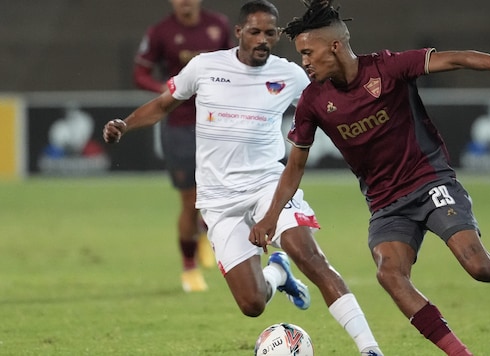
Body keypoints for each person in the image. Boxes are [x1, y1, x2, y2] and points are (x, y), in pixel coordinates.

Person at [250, 1, 490, 354]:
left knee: (478, 264)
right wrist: (270, 216)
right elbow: (294, 167)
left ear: (334, 46)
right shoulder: (312, 101)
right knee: (389, 274)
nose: (303, 61)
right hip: (385, 204)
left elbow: (457, 58)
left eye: (308, 52)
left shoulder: (387, 68)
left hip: (430, 181)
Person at [104, 1, 383, 355]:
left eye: (270, 33)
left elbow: (335, 103)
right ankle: (278, 274)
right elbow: (162, 104)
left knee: (307, 253)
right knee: (252, 304)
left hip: (269, 185)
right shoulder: (204, 67)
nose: (263, 39)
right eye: (255, 31)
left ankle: (369, 347)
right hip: (219, 201)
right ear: (239, 32)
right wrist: (125, 125)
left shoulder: (291, 75)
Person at [133, 0, 234, 292]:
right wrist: (165, 91)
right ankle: (189, 267)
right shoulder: (160, 32)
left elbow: (235, 62)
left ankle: (204, 231)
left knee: (218, 194)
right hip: (179, 126)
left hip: (217, 123)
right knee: (189, 201)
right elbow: (140, 73)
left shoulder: (219, 26)